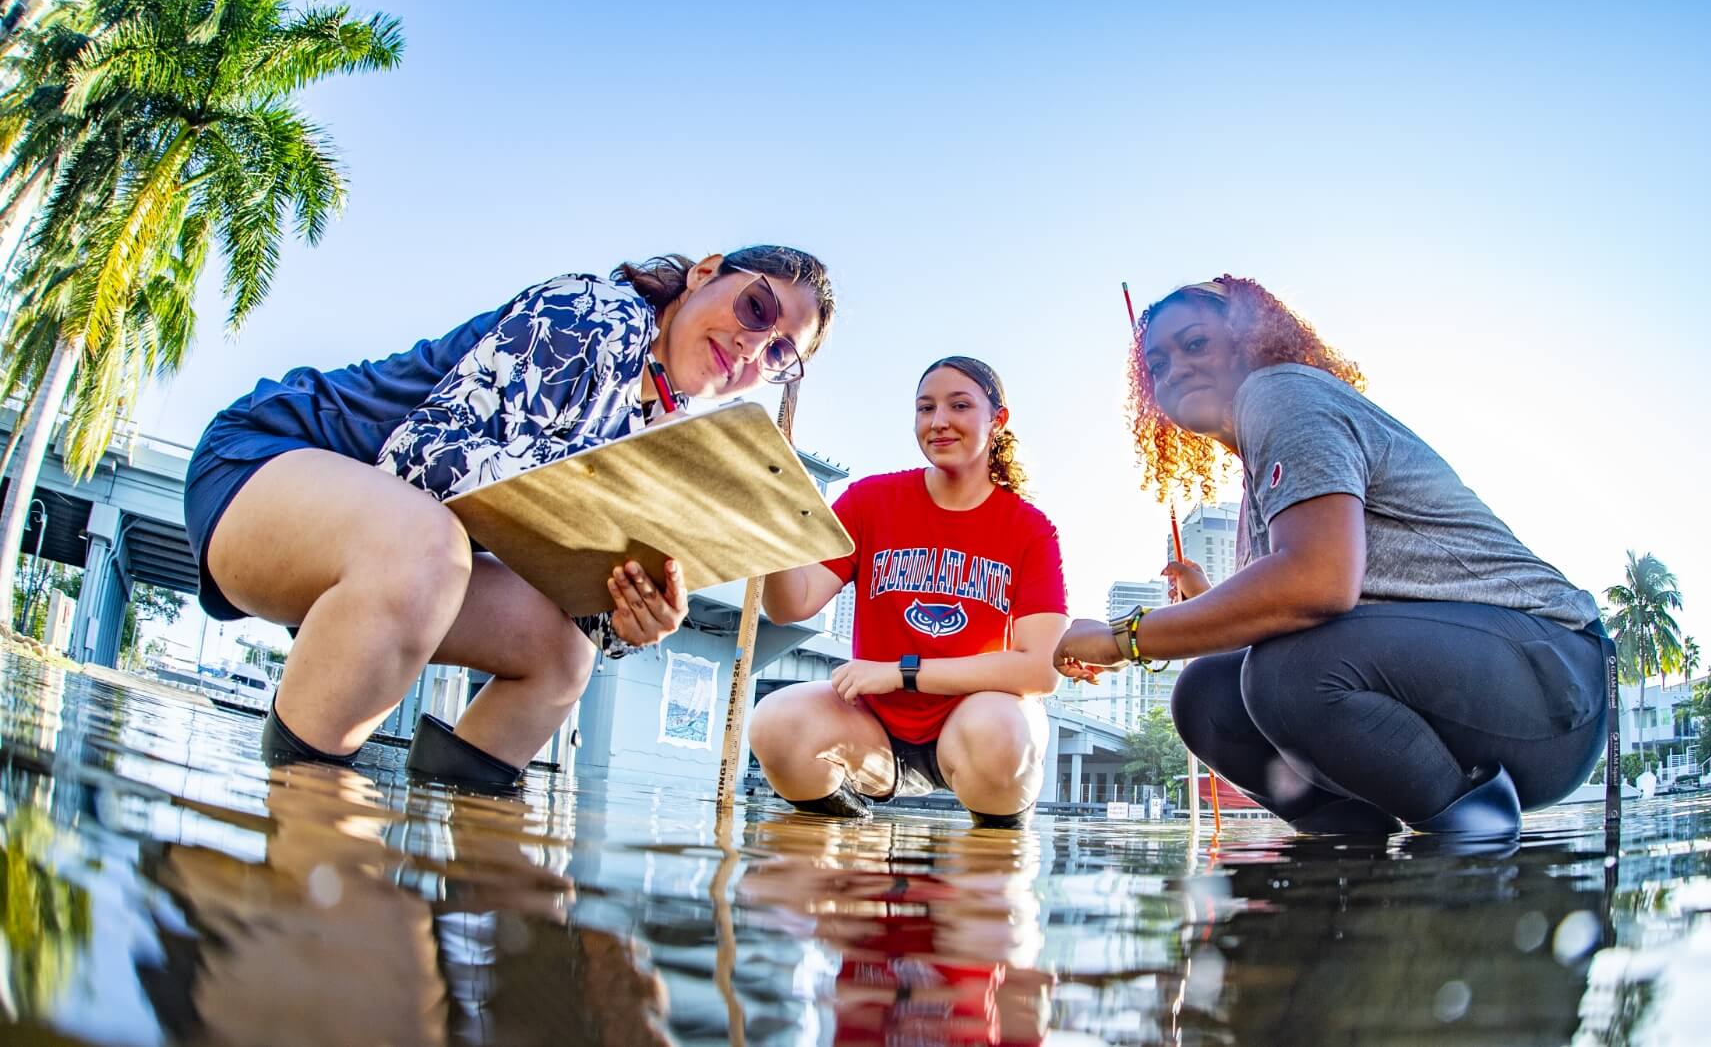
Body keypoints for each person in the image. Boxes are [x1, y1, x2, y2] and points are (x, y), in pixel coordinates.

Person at [184, 247, 834, 788]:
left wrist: (630, 616)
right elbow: (419, 456)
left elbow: (566, 587)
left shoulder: (657, 428)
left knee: (564, 655)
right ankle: (309, 820)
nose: (753, 346)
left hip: (399, 552)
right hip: (265, 465)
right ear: (705, 273)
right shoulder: (597, 313)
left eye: (780, 355)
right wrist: (599, 507)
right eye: (757, 307)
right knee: (429, 544)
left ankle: (455, 839)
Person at [1053, 276, 1611, 837]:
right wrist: (1209, 601)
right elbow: (1300, 617)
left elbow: (1317, 584)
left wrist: (1122, 639)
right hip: (1475, 692)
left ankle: (1474, 837)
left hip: (1554, 683)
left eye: (1195, 343)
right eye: (1157, 365)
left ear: (1249, 338)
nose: (1174, 370)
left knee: (1287, 674)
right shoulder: (1258, 479)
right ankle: (1347, 847)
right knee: (1206, 696)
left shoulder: (1281, 395)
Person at [753, 357, 1067, 828]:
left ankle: (994, 849)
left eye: (959, 405)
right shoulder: (869, 501)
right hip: (874, 728)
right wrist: (770, 532)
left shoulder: (1030, 530)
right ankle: (853, 839)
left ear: (997, 420)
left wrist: (902, 673)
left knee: (1002, 732)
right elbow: (789, 606)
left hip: (974, 724)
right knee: (776, 723)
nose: (938, 421)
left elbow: (1041, 669)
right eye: (925, 408)